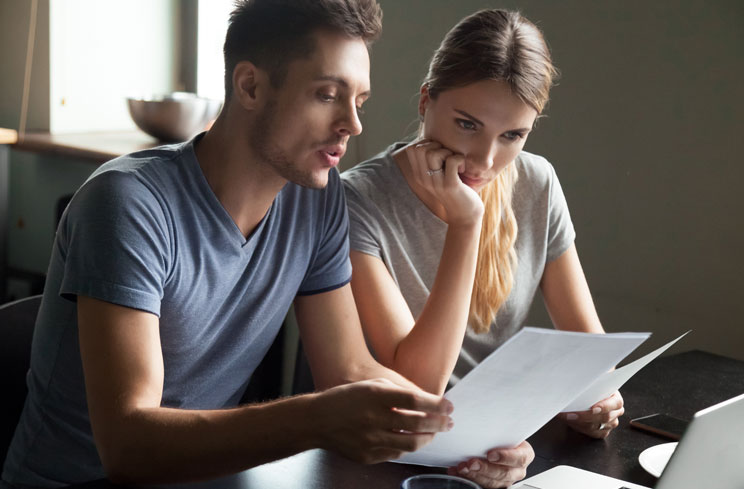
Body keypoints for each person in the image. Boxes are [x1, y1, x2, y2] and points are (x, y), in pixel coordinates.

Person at [1, 1, 456, 487]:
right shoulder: (127, 203)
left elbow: (348, 369)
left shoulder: (318, 201)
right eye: (327, 95)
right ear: (250, 86)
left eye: (358, 101)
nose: (353, 124)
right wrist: (315, 419)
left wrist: (464, 438)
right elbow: (127, 446)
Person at [342, 9, 624, 488]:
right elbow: (418, 386)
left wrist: (597, 401)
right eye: (467, 124)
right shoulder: (356, 199)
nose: (486, 160)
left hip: (490, 444)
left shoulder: (537, 183)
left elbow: (590, 353)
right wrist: (467, 223)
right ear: (426, 100)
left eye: (513, 135)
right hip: (378, 456)